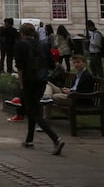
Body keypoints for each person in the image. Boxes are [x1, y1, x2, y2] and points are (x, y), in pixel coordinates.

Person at [14, 22, 65, 155]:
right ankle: (29, 140)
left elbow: (19, 66)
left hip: (28, 80)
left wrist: (21, 83)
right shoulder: (42, 44)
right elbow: (51, 64)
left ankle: (56, 139)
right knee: (33, 108)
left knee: (34, 112)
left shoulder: (21, 44)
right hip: (41, 81)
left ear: (22, 33)